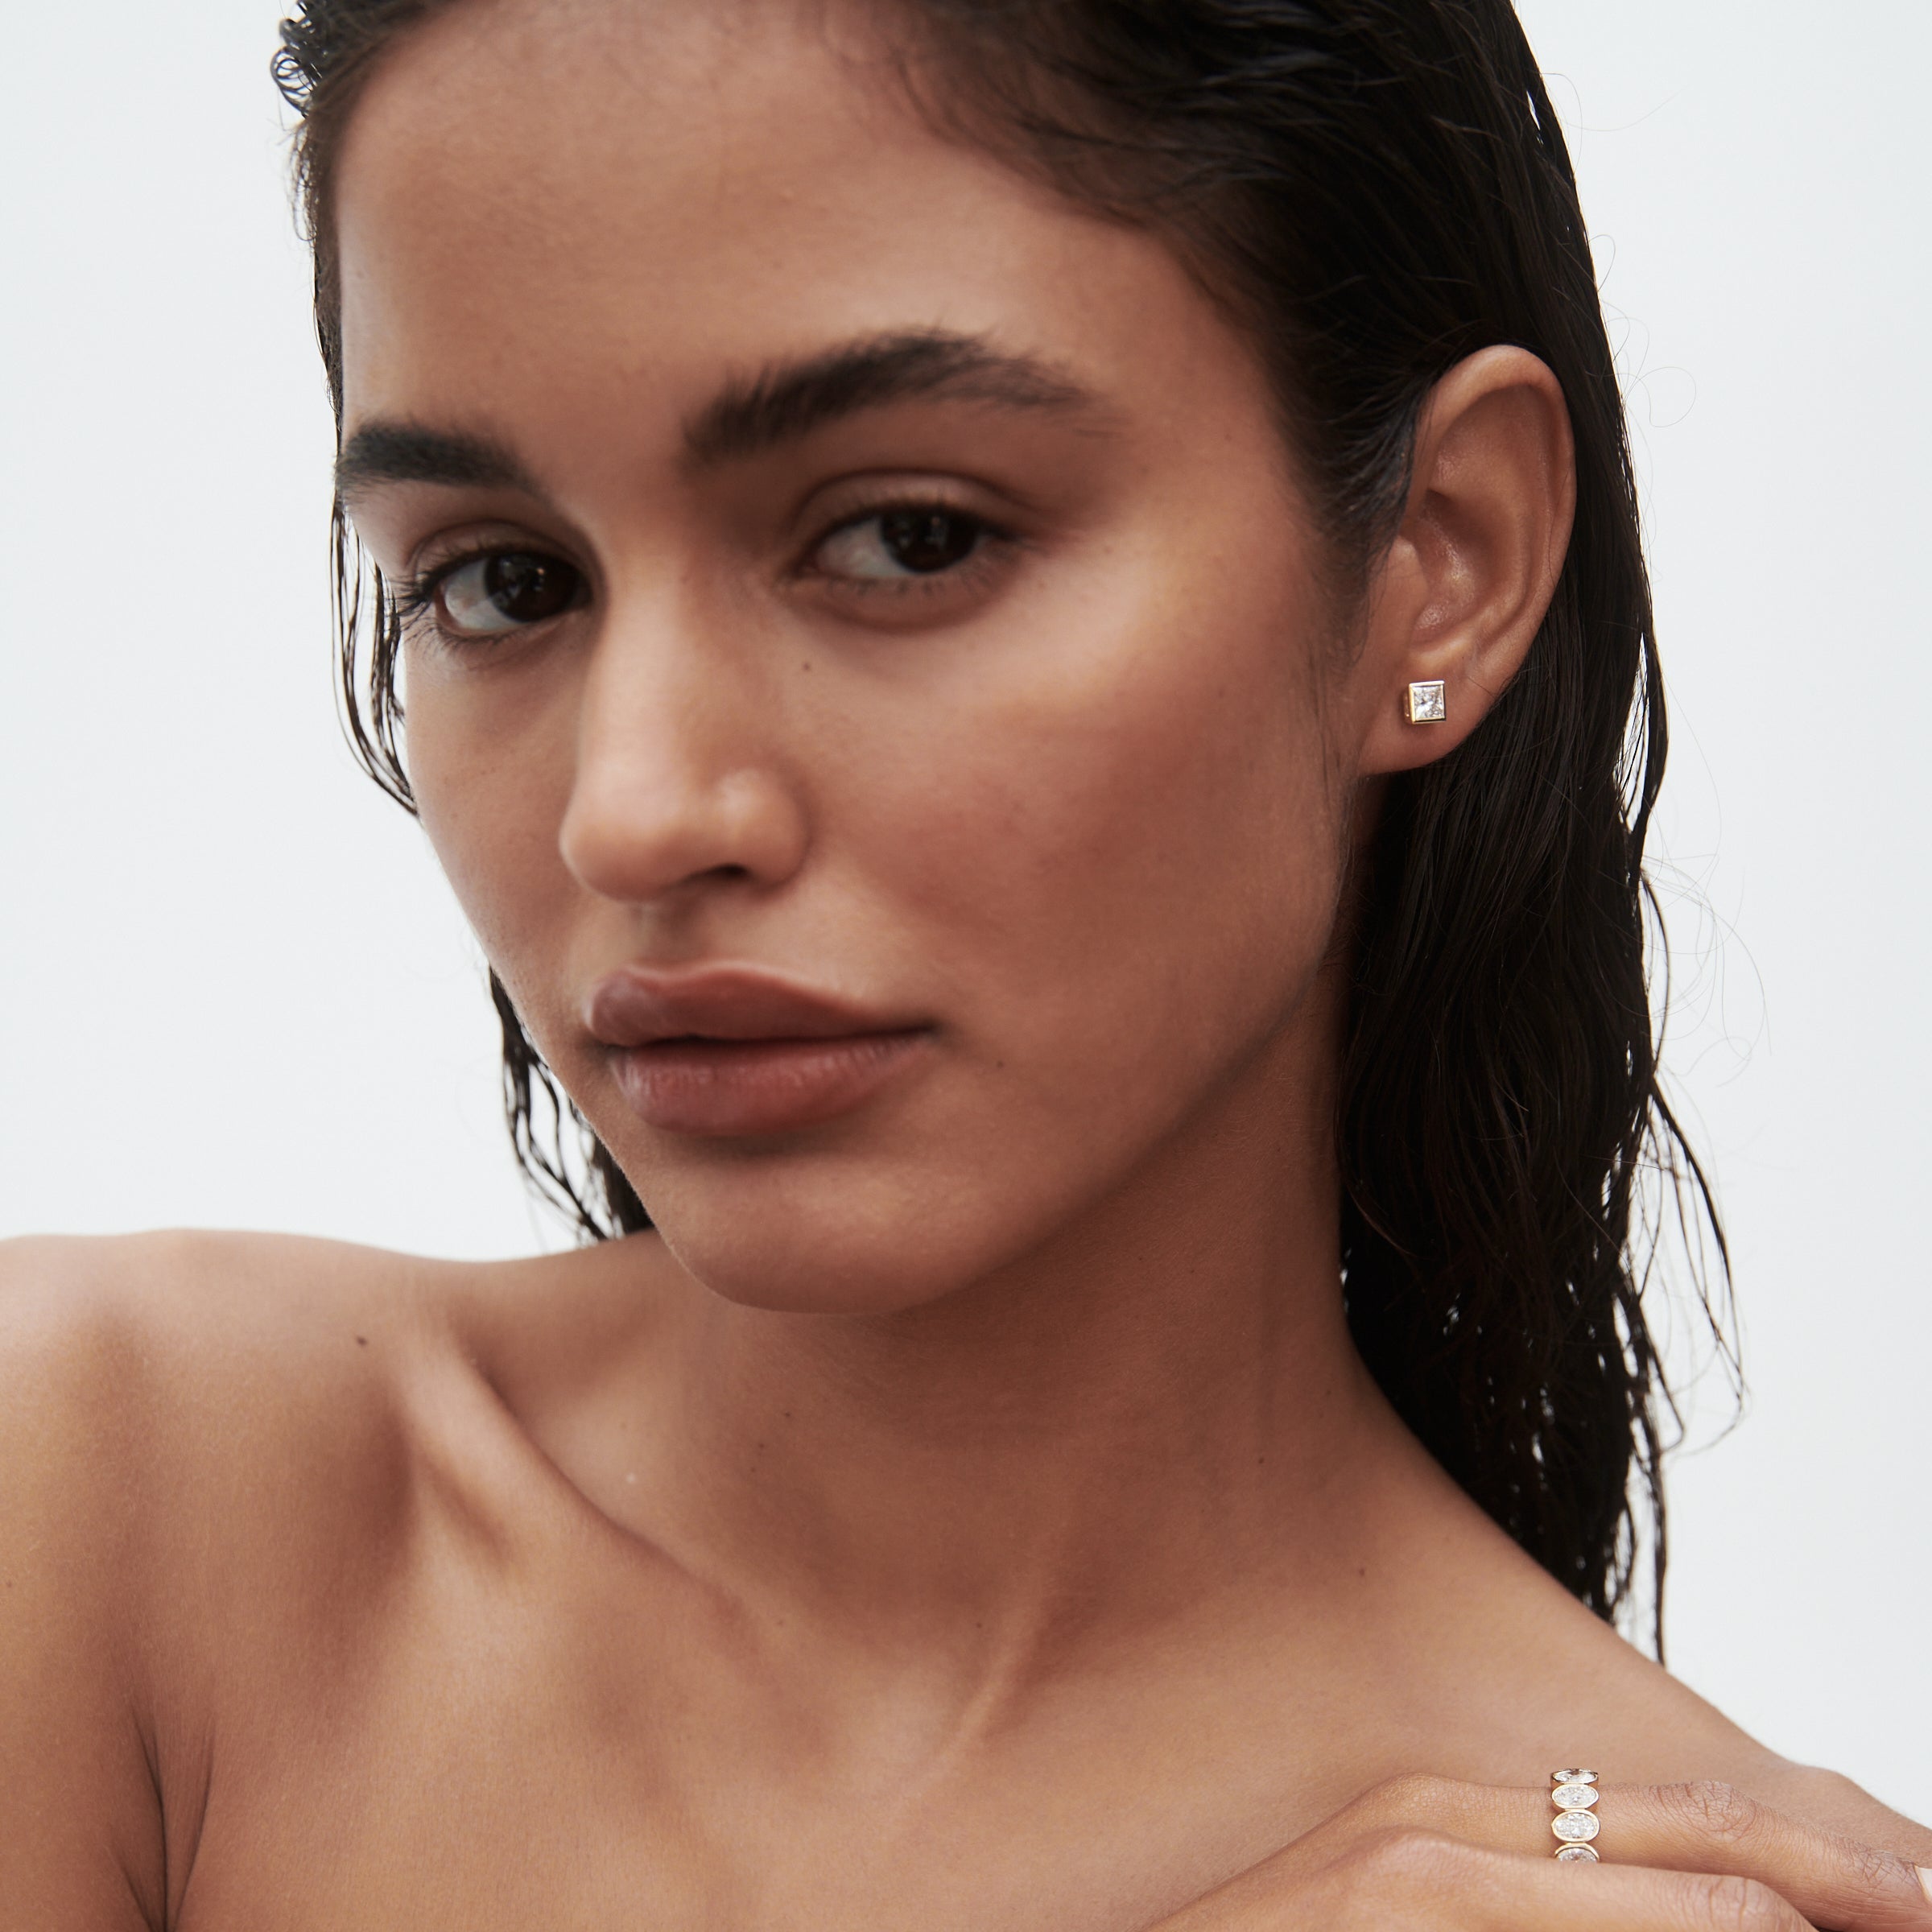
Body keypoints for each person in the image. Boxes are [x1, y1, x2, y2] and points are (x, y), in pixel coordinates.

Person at [2, 0, 1925, 1925]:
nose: (637, 812)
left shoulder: (1651, 1892)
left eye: (911, 538)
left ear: (1447, 553)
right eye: (504, 580)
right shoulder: (95, 1513)